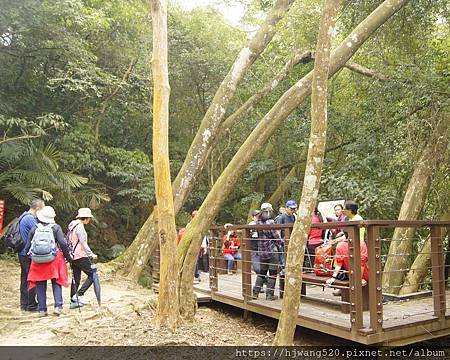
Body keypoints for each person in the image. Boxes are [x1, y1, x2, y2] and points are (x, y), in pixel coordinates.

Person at [25, 206, 72, 317]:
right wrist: (68, 257)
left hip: (37, 260)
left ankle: (42, 309)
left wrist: (29, 256)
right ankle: (58, 307)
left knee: (40, 283)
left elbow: (28, 246)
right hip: (53, 259)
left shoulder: (34, 228)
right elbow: (63, 243)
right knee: (56, 282)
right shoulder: (56, 228)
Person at [18, 199, 45, 312]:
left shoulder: (23, 216)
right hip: (27, 253)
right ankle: (32, 305)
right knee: (31, 279)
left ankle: (24, 304)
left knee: (25, 279)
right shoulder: (30, 219)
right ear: (37, 209)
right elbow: (40, 232)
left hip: (22, 253)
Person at [252, 203, 282, 300]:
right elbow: (277, 238)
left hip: (262, 252)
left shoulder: (257, 223)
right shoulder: (271, 223)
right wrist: (283, 243)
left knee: (262, 272)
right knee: (273, 273)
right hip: (272, 251)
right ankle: (269, 295)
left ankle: (255, 293)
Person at [68, 208, 97, 308]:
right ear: (86, 218)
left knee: (76, 278)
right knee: (93, 275)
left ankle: (73, 300)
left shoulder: (72, 224)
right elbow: (83, 243)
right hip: (80, 255)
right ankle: (79, 294)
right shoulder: (80, 227)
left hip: (72, 255)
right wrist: (91, 254)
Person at [326, 231, 369, 296]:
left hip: (350, 274)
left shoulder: (340, 245)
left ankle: (342, 289)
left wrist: (333, 277)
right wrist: (359, 278)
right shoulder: (361, 243)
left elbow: (338, 264)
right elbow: (362, 263)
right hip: (362, 273)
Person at [305, 207, 324, 272]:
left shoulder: (311, 219)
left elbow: (308, 231)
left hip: (312, 242)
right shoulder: (319, 218)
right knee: (319, 261)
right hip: (320, 241)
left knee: (312, 261)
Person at [248, 210, 261, 274]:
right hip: (254, 248)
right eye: (256, 216)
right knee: (257, 268)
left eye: (259, 216)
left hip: (264, 248)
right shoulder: (250, 225)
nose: (258, 217)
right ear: (252, 217)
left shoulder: (264, 223)